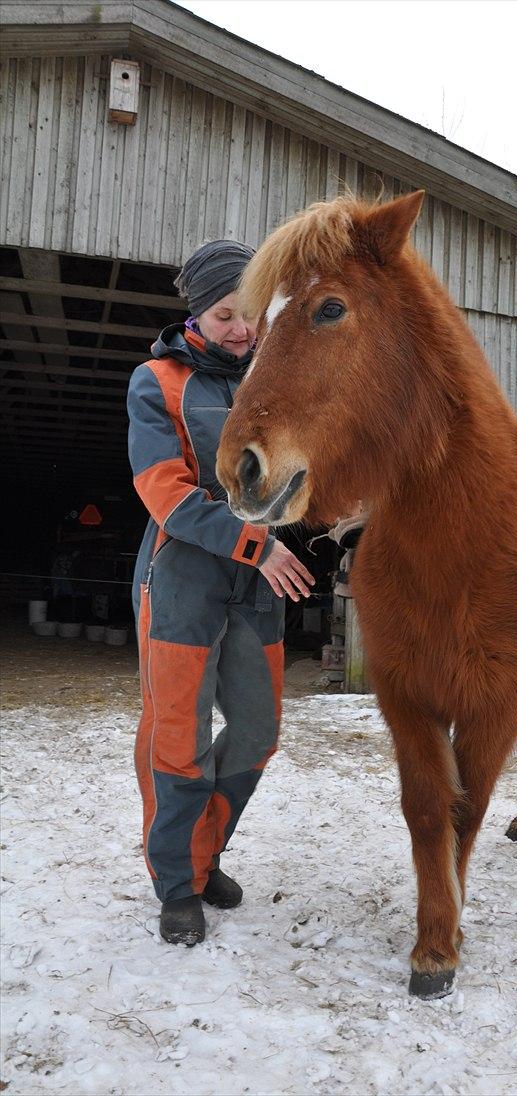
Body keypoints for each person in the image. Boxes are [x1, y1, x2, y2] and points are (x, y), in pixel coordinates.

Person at [127, 240, 315, 946]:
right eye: (225, 314)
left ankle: (204, 857)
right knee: (179, 741)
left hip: (255, 586)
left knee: (259, 733)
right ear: (197, 315)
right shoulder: (158, 382)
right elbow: (165, 495)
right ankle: (178, 882)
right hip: (181, 579)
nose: (241, 329)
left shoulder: (273, 380)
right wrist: (256, 544)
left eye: (252, 314)